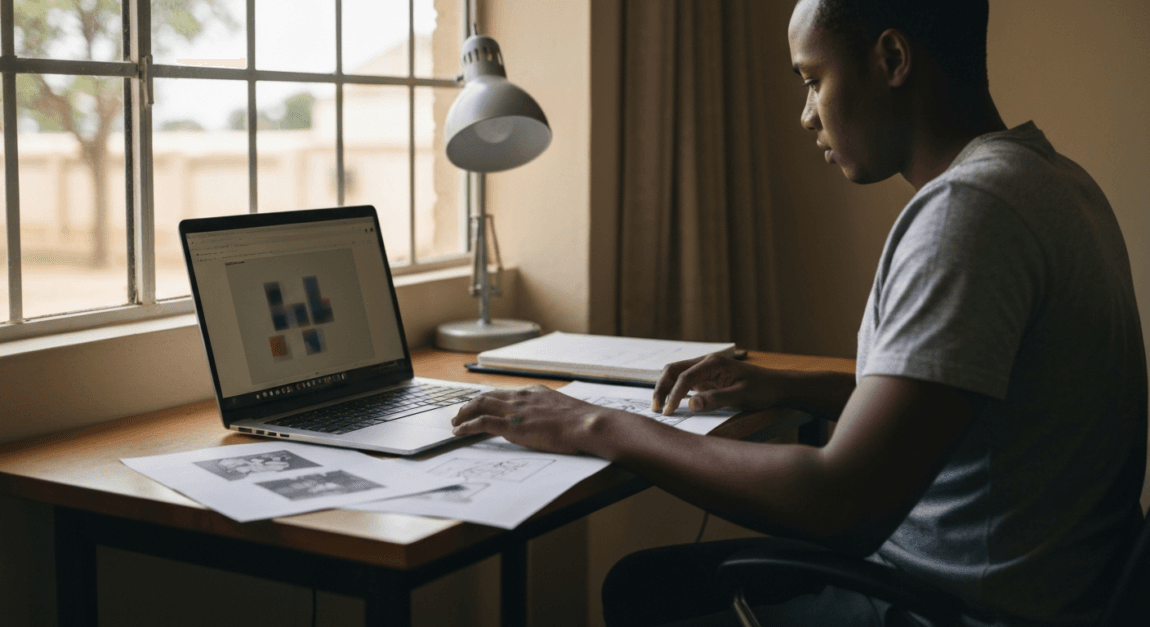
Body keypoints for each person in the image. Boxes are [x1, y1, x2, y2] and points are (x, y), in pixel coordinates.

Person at [451, 0, 1148, 624]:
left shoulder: (968, 212)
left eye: (813, 80)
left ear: (893, 59)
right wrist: (787, 386)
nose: (806, 113)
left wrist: (597, 422)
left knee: (642, 590)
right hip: (1049, 586)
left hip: (946, 603)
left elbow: (840, 504)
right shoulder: (1052, 181)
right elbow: (964, 397)